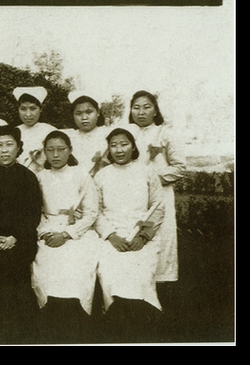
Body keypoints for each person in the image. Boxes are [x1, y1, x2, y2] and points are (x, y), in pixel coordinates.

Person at [94, 127, 165, 343]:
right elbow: (95, 211)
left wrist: (143, 237)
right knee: (109, 272)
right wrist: (111, 236)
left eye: (124, 144)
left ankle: (144, 325)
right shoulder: (102, 175)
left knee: (140, 274)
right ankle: (115, 324)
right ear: (108, 149)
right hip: (112, 237)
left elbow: (158, 207)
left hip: (141, 237)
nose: (119, 150)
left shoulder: (146, 171)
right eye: (113, 145)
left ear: (133, 147)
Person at [0, 124, 42, 344]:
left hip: (19, 239)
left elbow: (32, 214)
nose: (4, 150)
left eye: (9, 144)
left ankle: (17, 335)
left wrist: (15, 238)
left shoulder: (28, 177)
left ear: (19, 147)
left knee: (15, 275)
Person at [31, 130, 100, 344]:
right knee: (46, 262)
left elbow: (91, 212)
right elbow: (35, 212)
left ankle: (77, 320)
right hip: (48, 230)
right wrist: (45, 232)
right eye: (50, 150)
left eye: (61, 149)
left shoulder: (81, 175)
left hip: (76, 231)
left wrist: (68, 234)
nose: (55, 155)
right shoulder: (40, 177)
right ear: (44, 152)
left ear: (70, 150)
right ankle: (50, 318)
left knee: (76, 263)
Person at [128, 90, 185, 288]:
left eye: (147, 107)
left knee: (162, 237)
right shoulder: (128, 134)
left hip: (160, 196)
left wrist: (153, 181)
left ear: (155, 110)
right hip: (132, 196)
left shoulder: (165, 133)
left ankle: (162, 287)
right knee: (133, 235)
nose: (141, 112)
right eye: (136, 108)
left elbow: (180, 168)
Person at [12, 86, 56, 172]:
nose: (28, 114)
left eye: (33, 109)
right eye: (23, 109)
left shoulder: (50, 131)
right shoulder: (14, 131)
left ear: (40, 109)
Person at [65, 93, 109, 176]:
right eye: (78, 113)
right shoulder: (68, 136)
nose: (84, 117)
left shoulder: (107, 134)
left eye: (89, 112)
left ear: (98, 112)